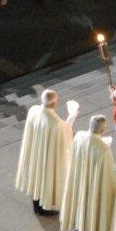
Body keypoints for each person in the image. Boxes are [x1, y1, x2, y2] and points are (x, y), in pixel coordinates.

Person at [15, 88, 77, 216]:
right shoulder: (56, 123)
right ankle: (43, 208)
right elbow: (67, 133)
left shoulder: (33, 111)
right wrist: (72, 115)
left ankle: (36, 205)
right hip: (46, 156)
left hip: (35, 152)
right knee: (45, 179)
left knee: (36, 178)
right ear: (54, 103)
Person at [60, 114, 116, 231]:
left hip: (81, 180)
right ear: (102, 130)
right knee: (96, 209)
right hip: (95, 185)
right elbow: (108, 175)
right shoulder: (104, 150)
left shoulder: (79, 136)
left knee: (81, 204)